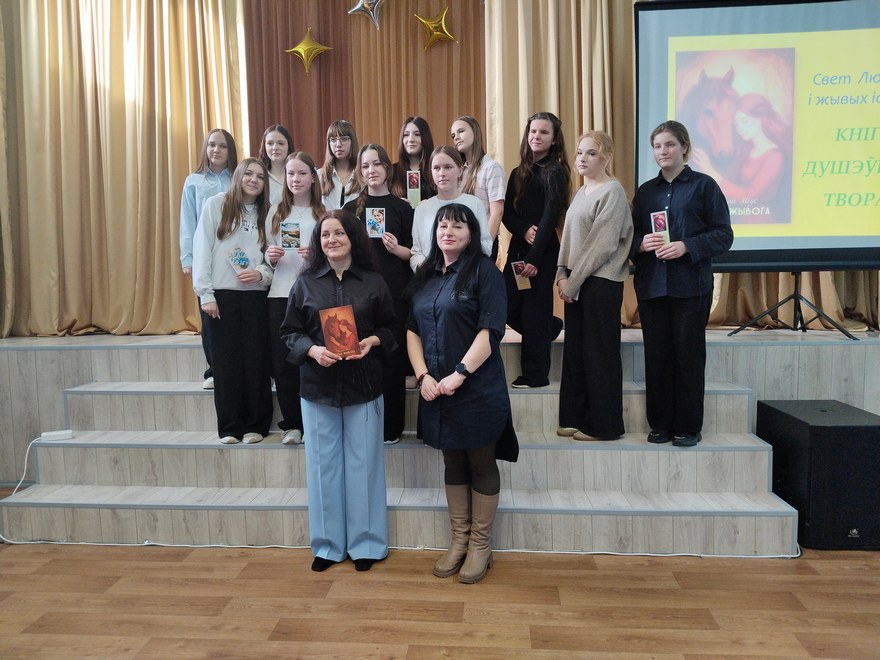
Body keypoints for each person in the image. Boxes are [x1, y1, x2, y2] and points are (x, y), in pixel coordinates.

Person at [407, 203, 518, 584]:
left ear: (472, 234)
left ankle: (481, 545)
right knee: (452, 462)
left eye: (457, 226)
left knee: (481, 463)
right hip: (435, 389)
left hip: (476, 388)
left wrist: (459, 374)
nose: (448, 232)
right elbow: (412, 329)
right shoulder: (425, 274)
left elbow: (491, 330)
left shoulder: (485, 272)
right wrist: (422, 375)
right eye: (442, 225)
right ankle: (459, 540)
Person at [281, 209, 397, 572]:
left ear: (353, 238)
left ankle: (367, 544)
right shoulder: (304, 283)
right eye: (325, 234)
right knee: (322, 468)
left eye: (339, 233)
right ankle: (328, 546)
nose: (332, 240)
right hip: (318, 389)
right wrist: (313, 350)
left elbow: (392, 327)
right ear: (318, 242)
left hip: (365, 386)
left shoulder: (374, 282)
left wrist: (373, 340)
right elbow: (289, 333)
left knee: (365, 468)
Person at [631, 120, 733, 447]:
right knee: (657, 357)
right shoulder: (646, 192)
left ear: (684, 147)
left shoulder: (704, 186)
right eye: (657, 146)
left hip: (691, 287)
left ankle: (688, 426)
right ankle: (660, 424)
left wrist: (687, 246)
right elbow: (628, 237)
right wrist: (640, 244)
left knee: (688, 357)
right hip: (652, 287)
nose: (663, 151)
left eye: (670, 145)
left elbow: (724, 235)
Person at [555, 131, 633, 441]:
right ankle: (575, 417)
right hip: (576, 281)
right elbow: (568, 239)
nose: (582, 159)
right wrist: (561, 273)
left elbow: (602, 245)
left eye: (591, 153)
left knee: (599, 353)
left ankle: (604, 426)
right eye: (579, 152)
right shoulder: (581, 192)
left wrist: (572, 282)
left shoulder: (612, 192)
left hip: (601, 283)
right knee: (576, 352)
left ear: (606, 157)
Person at [192, 158, 274, 445]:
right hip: (221, 296)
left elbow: (271, 258)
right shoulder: (216, 205)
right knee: (226, 365)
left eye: (260, 177)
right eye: (248, 174)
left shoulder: (267, 213)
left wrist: (261, 274)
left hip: (255, 297)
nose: (254, 180)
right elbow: (202, 250)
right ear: (238, 175)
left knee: (256, 362)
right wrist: (206, 294)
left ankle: (256, 426)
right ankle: (230, 427)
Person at [344, 144, 414, 445]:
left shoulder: (403, 208)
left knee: (392, 361)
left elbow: (415, 254)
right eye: (365, 165)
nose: (371, 170)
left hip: (395, 293)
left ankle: (391, 428)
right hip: (358, 295)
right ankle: (360, 427)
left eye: (376, 164)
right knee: (359, 359)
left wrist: (397, 249)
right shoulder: (350, 210)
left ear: (387, 167)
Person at [502, 112, 570, 388]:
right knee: (505, 307)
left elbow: (551, 216)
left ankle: (535, 375)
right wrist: (523, 230)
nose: (536, 136)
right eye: (533, 131)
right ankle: (550, 327)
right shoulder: (517, 173)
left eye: (543, 132)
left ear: (554, 139)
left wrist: (534, 258)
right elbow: (507, 214)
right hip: (517, 251)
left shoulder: (555, 172)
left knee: (534, 313)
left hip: (541, 255)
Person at [265, 152, 324, 446]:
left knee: (313, 362)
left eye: (302, 173)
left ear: (313, 177)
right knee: (283, 363)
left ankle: (316, 422)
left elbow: (337, 256)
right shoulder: (276, 212)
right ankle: (292, 425)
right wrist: (271, 256)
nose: (295, 179)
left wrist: (317, 256)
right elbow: (265, 256)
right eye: (290, 174)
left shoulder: (324, 213)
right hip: (280, 293)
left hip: (314, 296)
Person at [179, 128, 238, 390]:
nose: (216, 150)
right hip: (205, 258)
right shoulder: (193, 181)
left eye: (222, 146)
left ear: (230, 151)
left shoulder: (237, 179)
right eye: (212, 145)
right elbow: (187, 222)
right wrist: (188, 258)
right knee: (210, 316)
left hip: (236, 259)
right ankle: (214, 369)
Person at [691, 93, 791, 223]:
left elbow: (749, 196)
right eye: (736, 124)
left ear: (761, 118)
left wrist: (711, 172)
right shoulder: (746, 149)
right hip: (737, 222)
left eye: (744, 121)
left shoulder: (776, 157)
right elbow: (731, 180)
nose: (740, 128)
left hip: (760, 224)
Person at [409, 146, 492, 271]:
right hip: (432, 275)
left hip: (467, 273)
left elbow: (485, 245)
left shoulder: (474, 203)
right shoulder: (422, 209)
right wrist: (427, 269)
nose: (442, 173)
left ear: (460, 170)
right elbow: (416, 252)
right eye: (436, 168)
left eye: (448, 167)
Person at [451, 115, 505, 260]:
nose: (456, 137)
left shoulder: (491, 167)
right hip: (461, 242)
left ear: (475, 132)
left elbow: (497, 212)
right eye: (453, 135)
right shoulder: (459, 170)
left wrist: (485, 246)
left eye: (461, 131)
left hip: (482, 243)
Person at [389, 116, 436, 206]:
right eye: (406, 135)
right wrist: (396, 204)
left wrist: (432, 205)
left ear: (425, 138)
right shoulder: (391, 171)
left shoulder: (436, 170)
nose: (411, 139)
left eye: (417, 134)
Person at [318, 120, 361, 210]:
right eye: (333, 140)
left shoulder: (362, 175)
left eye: (344, 139)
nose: (338, 144)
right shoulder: (319, 175)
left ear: (352, 141)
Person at [258, 124, 295, 205]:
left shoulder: (299, 174)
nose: (275, 148)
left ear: (288, 146)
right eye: (270, 143)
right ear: (264, 147)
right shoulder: (259, 176)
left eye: (280, 143)